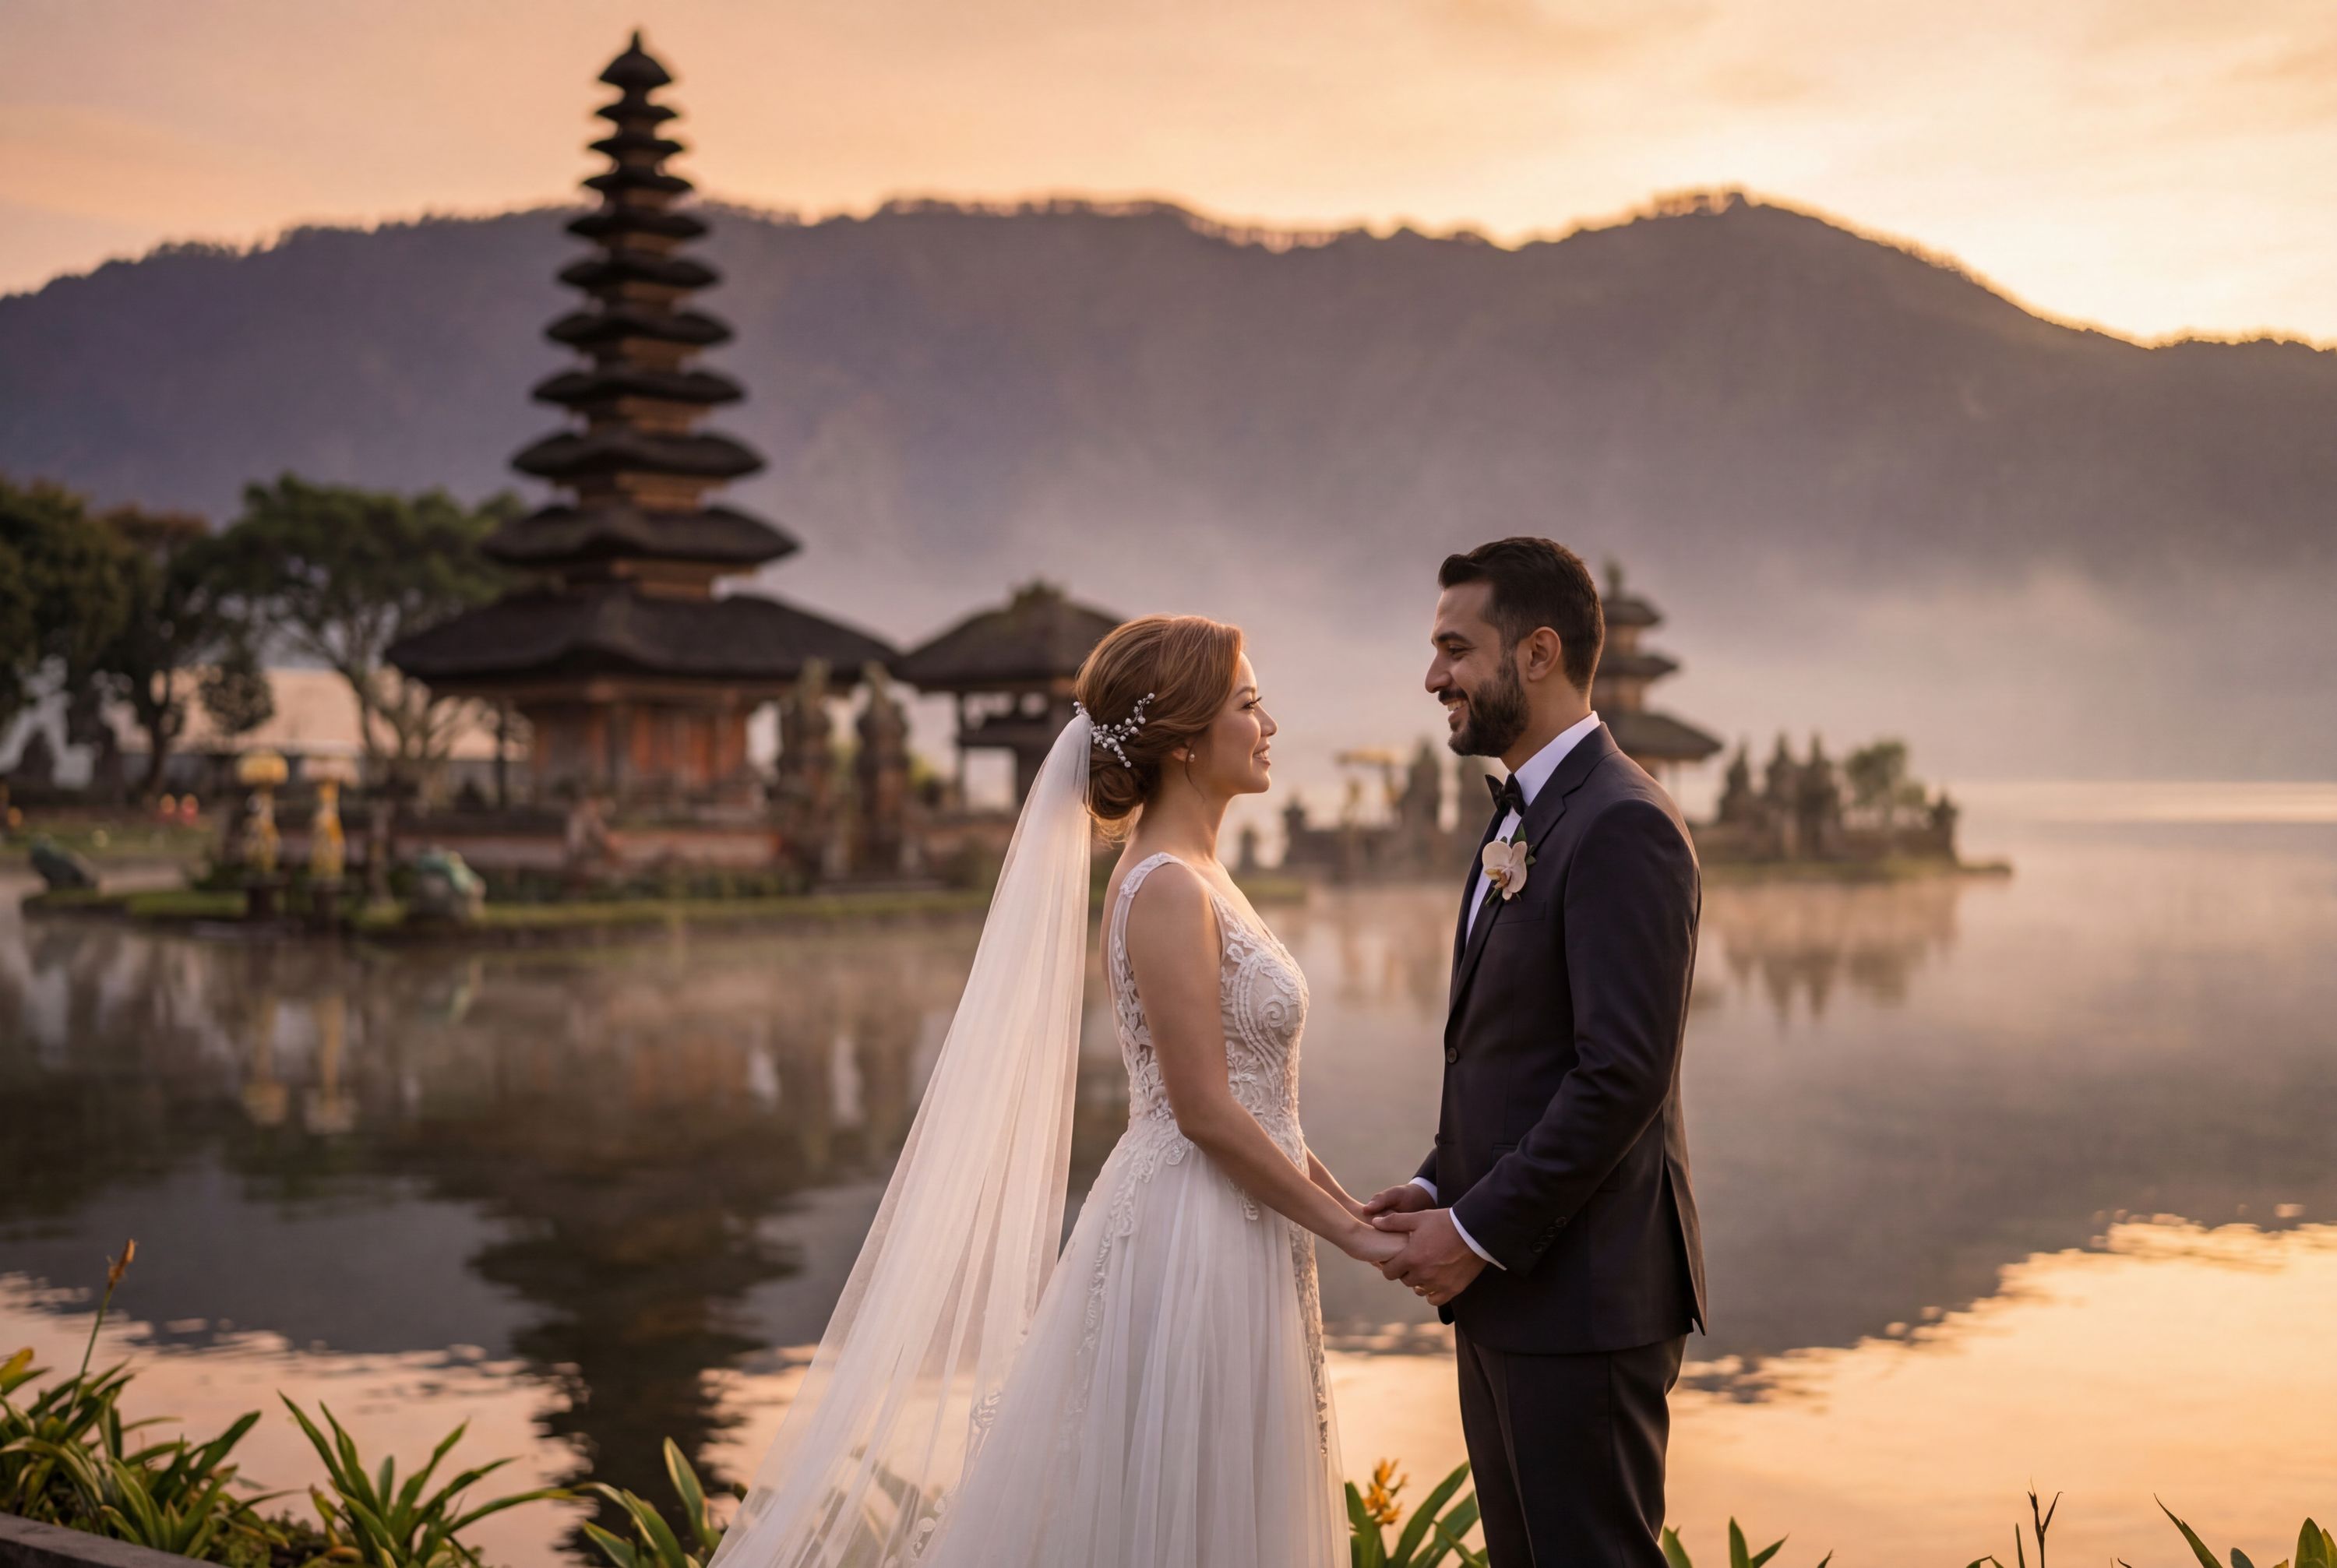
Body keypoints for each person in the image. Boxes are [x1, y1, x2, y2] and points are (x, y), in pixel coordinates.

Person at [713, 613, 1394, 1568]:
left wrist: (1349, 1205)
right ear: (1188, 740)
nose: (1270, 723)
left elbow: (1261, 1100)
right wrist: (1354, 1234)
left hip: (1251, 1215)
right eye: (1249, 704)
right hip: (1194, 1227)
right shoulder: (1163, 887)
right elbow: (1201, 1109)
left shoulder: (1204, 874)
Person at [1365, 537, 1709, 1568]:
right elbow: (1507, 1051)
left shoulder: (1622, 825)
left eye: (1455, 649)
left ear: (1538, 653)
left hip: (1587, 1297)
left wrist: (1476, 1228)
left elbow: (1622, 1076)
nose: (1434, 678)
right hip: (1514, 1288)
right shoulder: (1521, 815)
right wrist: (1442, 1183)